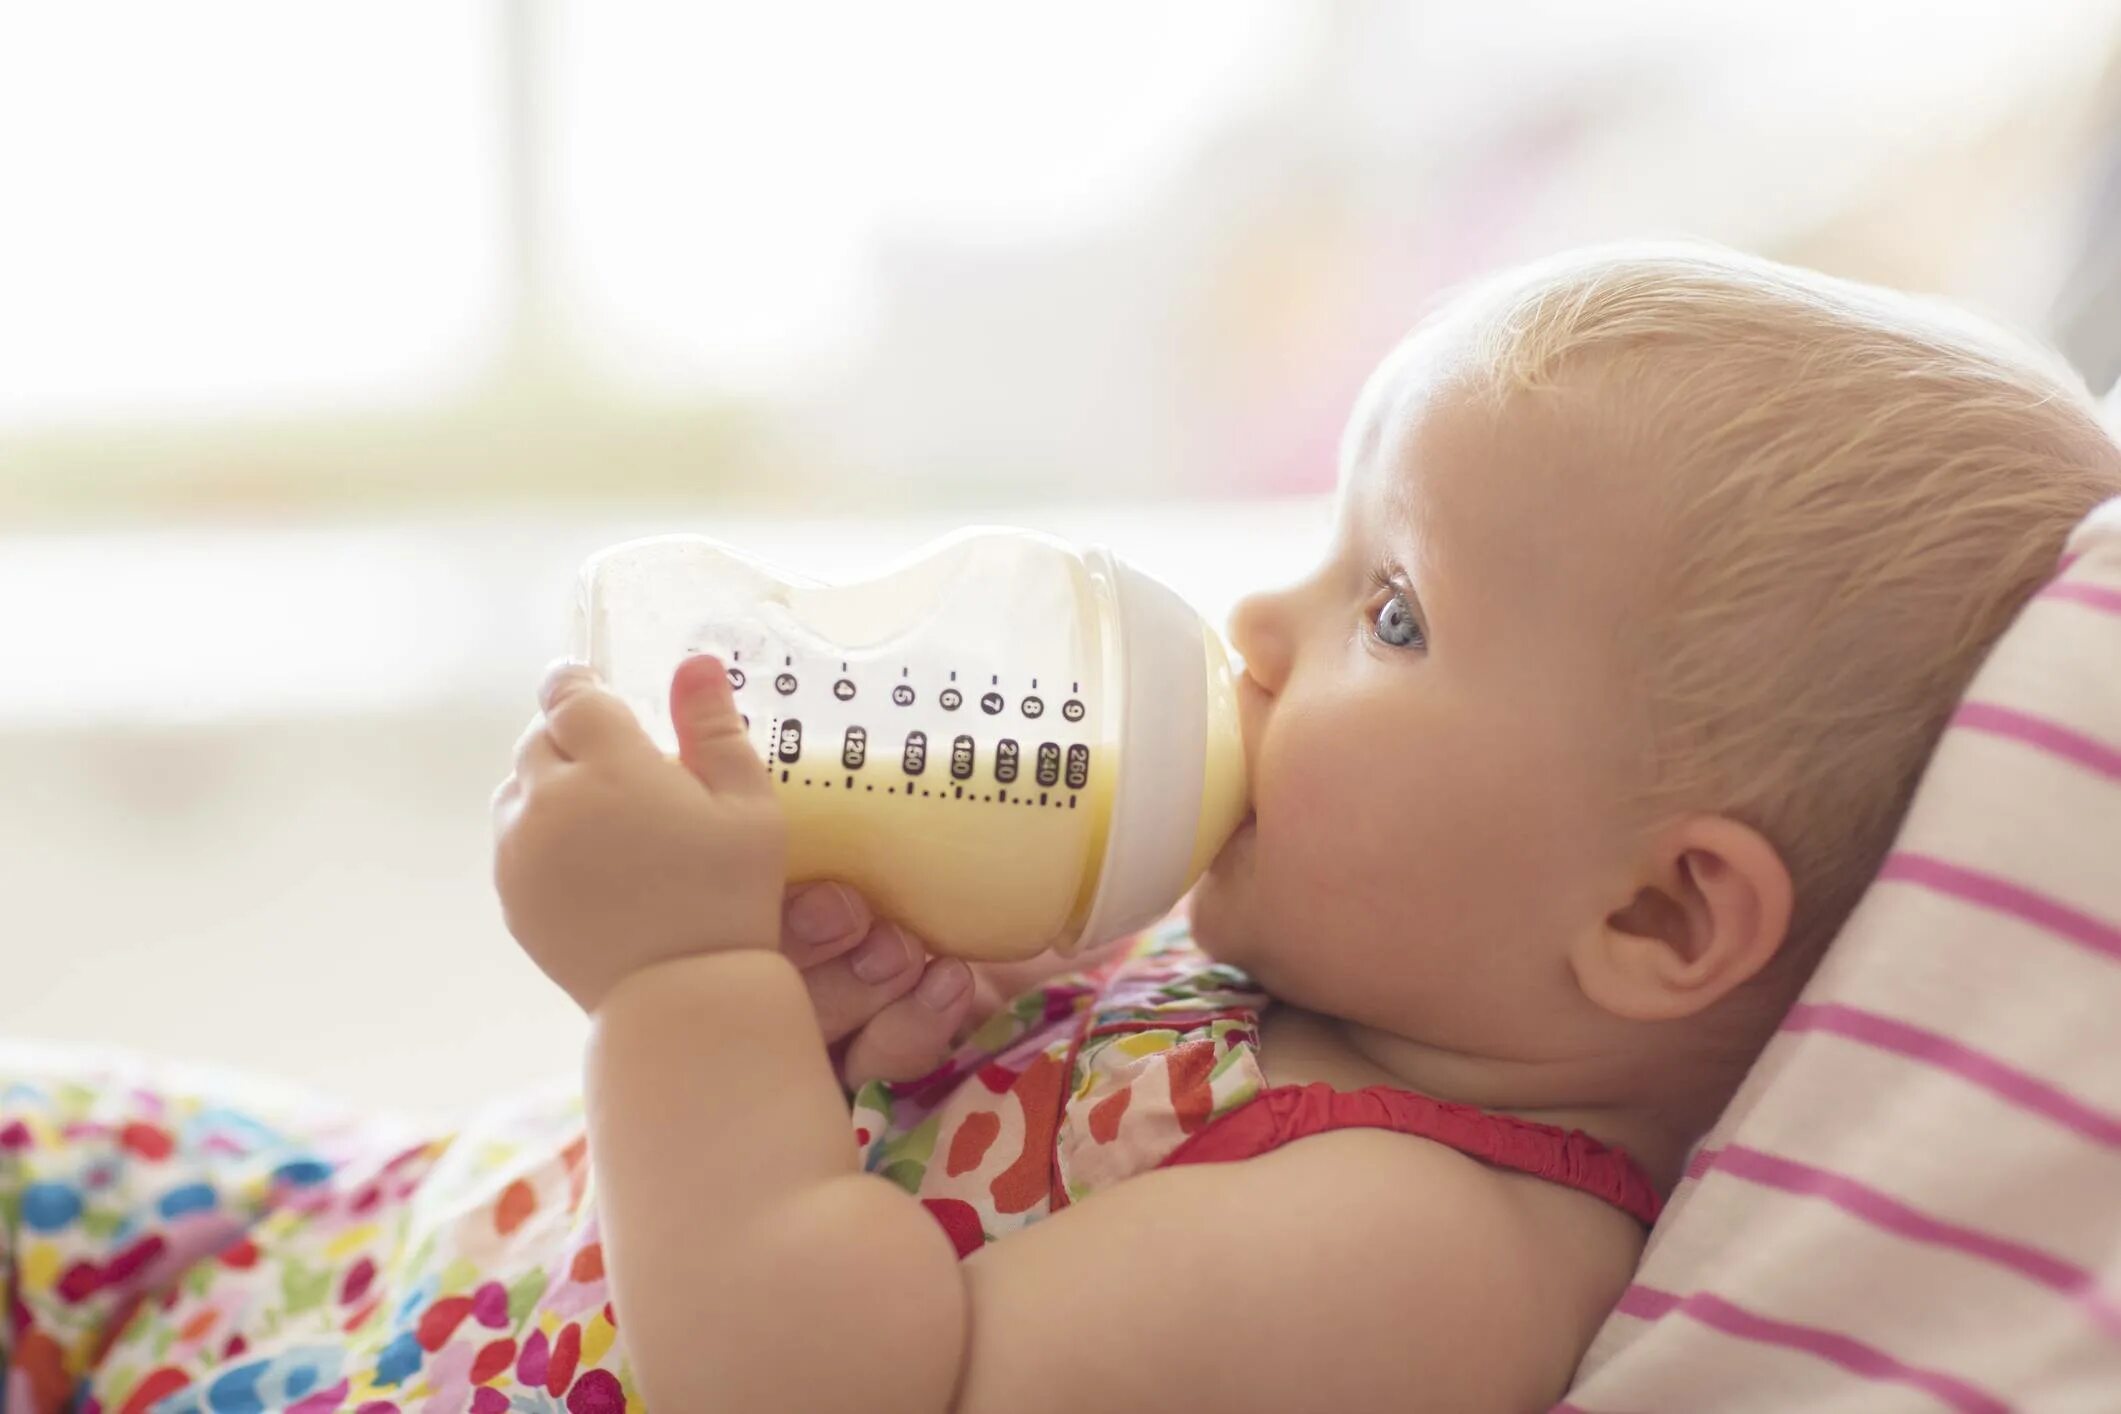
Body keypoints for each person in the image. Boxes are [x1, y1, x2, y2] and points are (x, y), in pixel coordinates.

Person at [8, 243, 2118, 1413]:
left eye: (1389, 606)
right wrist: (883, 1024)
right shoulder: (1306, 989)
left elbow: (825, 1383)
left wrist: (678, 982)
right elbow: (954, 1172)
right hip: (341, 1231)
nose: (1262, 630)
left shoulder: (1432, 1246)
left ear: (1657, 909)